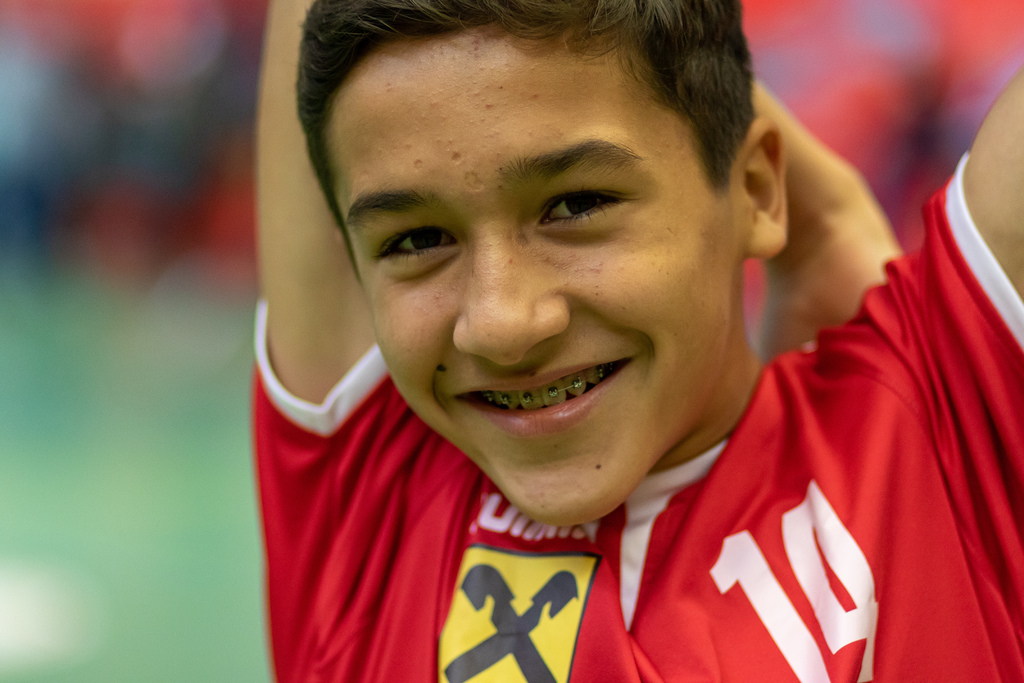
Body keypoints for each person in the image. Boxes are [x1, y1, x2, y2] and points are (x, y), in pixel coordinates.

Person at [253, 0, 1024, 680]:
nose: (501, 322)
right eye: (419, 240)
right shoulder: (370, 500)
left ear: (756, 187)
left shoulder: (948, 430)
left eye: (576, 204)